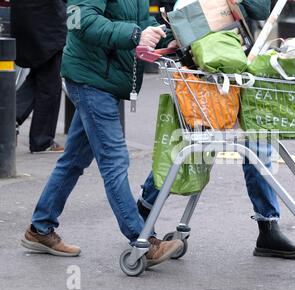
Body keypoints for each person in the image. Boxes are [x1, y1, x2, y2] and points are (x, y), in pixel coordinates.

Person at [137, 0, 295, 259]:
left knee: (257, 140)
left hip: (237, 62)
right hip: (200, 70)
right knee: (189, 147)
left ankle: (268, 227)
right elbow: (174, 14)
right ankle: (146, 206)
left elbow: (260, 10)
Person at [21, 0, 183, 267]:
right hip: (90, 80)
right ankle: (142, 239)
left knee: (73, 160)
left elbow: (143, 23)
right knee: (115, 160)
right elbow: (81, 19)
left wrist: (164, 35)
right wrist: (134, 35)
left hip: (104, 79)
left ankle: (40, 228)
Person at [11, 0, 66, 153]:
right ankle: (42, 140)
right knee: (50, 83)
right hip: (47, 22)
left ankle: (10, 119)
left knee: (39, 75)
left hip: (24, 18)